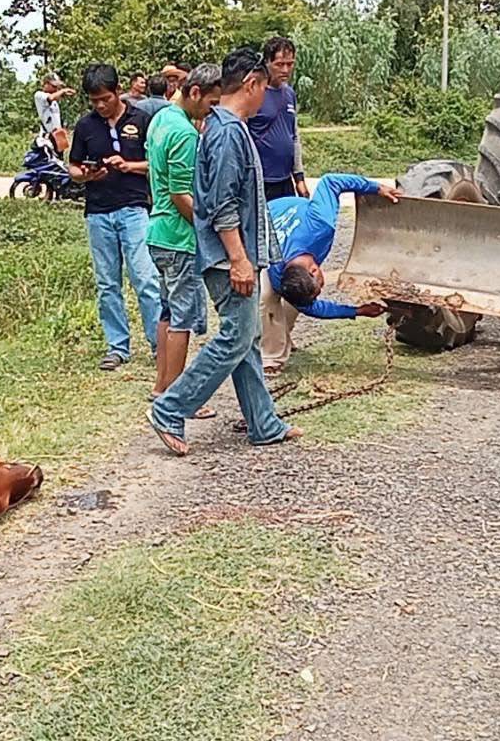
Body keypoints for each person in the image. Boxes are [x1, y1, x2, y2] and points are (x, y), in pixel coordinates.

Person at [149, 48, 302, 455]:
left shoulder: (222, 126)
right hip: (227, 256)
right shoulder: (229, 133)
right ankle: (170, 408)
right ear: (251, 84)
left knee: (246, 339)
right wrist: (238, 258)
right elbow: (222, 204)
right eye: (263, 89)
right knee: (235, 338)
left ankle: (263, 422)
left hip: (232, 253)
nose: (265, 98)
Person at [69, 63, 162, 371]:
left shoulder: (143, 119)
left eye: (105, 98)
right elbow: (73, 167)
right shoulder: (85, 126)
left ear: (118, 90)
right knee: (107, 283)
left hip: (134, 208)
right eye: (94, 100)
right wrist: (86, 176)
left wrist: (128, 165)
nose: (100, 105)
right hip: (98, 212)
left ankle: (158, 344)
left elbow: (157, 163)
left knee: (145, 278)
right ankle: (117, 347)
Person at [261, 173, 402, 375]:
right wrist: (356, 311)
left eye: (318, 288)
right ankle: (271, 357)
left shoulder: (320, 222)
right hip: (264, 226)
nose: (321, 290)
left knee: (294, 300)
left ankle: (283, 337)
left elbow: (330, 181)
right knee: (267, 298)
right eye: (320, 289)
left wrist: (376, 188)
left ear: (314, 270)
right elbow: (311, 308)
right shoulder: (276, 270)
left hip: (288, 211)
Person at [145, 62, 222, 416]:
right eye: (211, 103)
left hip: (158, 232)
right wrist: (209, 229)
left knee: (166, 311)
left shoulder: (161, 119)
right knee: (183, 318)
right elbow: (180, 193)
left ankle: (161, 385)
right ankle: (176, 397)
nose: (212, 111)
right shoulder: (185, 134)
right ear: (195, 93)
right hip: (178, 238)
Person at [251, 36, 308, 202]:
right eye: (279, 64)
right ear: (267, 63)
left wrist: (299, 178)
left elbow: (294, 136)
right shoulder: (255, 93)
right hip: (261, 181)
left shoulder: (289, 94)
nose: (285, 70)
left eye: (290, 64)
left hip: (285, 180)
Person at [34, 74, 75, 153]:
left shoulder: (55, 102)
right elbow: (50, 98)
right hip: (47, 139)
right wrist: (63, 91)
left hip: (57, 137)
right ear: (46, 84)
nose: (56, 89)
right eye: (54, 86)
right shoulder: (39, 95)